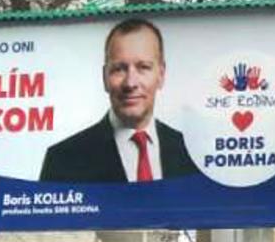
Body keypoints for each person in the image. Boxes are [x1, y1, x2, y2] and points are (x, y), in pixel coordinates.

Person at [39, 18, 197, 182]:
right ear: (105, 78)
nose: (130, 83)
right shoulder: (63, 160)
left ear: (161, 75)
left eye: (143, 67)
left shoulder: (193, 153)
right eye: (119, 69)